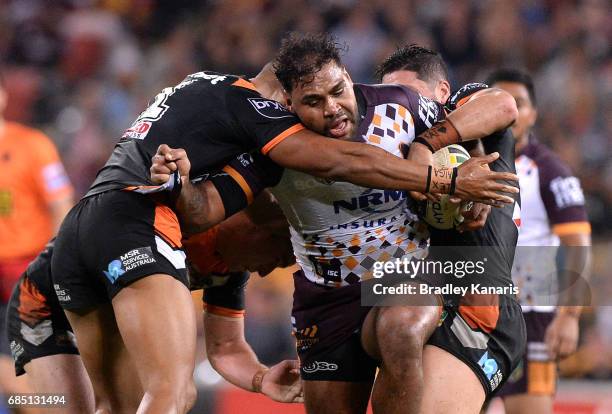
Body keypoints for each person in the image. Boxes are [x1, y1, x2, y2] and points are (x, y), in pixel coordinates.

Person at [51, 33, 518, 412]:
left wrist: (436, 144)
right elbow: (206, 209)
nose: (332, 108)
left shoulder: (397, 107)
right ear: (289, 105)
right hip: (326, 297)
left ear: (349, 80)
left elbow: (501, 105)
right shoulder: (273, 148)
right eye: (313, 101)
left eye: (338, 91)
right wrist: (180, 185)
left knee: (403, 327)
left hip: (400, 276)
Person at [6, 195, 301, 413]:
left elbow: (226, 347)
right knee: (161, 393)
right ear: (262, 229)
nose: (264, 272)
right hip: (42, 306)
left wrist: (261, 378)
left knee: (157, 397)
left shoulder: (229, 269)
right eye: (277, 258)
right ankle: (13, 393)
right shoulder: (182, 214)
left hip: (107, 311)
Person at [368, 44, 525, 414]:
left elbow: (504, 104)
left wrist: (427, 143)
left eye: (408, 95)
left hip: (479, 309)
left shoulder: (464, 107)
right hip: (417, 297)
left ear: (441, 93)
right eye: (392, 99)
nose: (403, 109)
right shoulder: (390, 151)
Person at [488, 68, 592, 414]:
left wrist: (569, 316)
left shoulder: (550, 171)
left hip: (531, 314)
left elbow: (577, 244)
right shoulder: (465, 164)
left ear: (533, 113)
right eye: (500, 102)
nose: (511, 111)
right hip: (475, 310)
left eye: (519, 103)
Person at [0, 73, 74, 405]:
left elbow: (60, 204)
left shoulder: (33, 145)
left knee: (28, 376)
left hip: (24, 273)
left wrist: (55, 265)